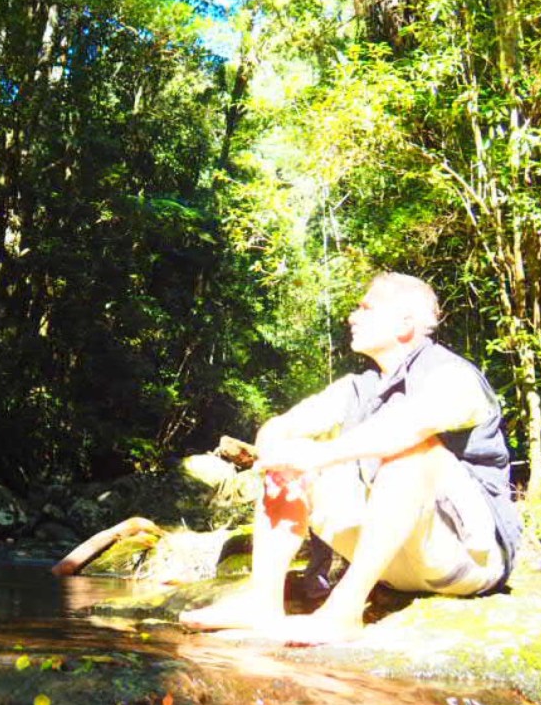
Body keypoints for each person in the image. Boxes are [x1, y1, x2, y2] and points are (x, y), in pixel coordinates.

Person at [180, 273, 522, 644]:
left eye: (365, 307)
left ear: (405, 323)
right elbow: (279, 427)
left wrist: (318, 455)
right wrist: (280, 451)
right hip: (395, 563)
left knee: (412, 449)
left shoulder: (454, 376)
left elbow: (405, 428)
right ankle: (262, 601)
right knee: (286, 461)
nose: (352, 317)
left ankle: (343, 613)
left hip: (468, 558)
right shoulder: (358, 388)